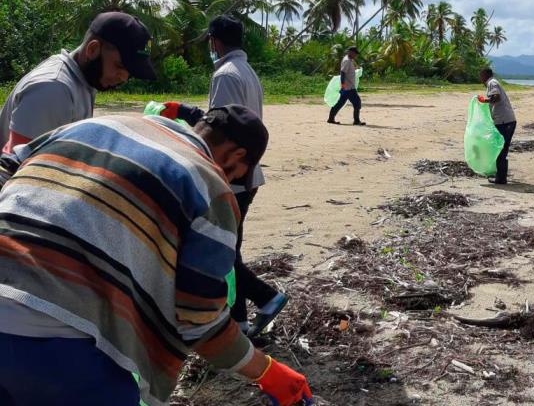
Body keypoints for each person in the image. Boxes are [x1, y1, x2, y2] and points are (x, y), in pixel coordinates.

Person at [0, 106, 313, 406]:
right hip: (58, 341)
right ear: (236, 155)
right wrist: (269, 371)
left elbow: (7, 167)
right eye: (237, 175)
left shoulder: (99, 124)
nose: (231, 181)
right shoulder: (210, 184)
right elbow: (199, 323)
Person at [205, 15, 287, 338]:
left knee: (224, 251)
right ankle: (244, 316)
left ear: (215, 41)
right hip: (249, 173)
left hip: (233, 174)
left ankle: (264, 299)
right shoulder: (248, 72)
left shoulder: (225, 75)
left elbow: (219, 129)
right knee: (230, 249)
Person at [0, 11, 157, 154]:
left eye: (130, 73)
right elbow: (14, 166)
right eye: (120, 66)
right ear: (93, 49)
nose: (123, 78)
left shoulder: (83, 80)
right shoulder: (53, 89)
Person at [479, 68, 517, 185]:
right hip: (506, 121)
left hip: (505, 122)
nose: (480, 78)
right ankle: (500, 176)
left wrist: (484, 100)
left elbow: (496, 97)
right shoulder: (492, 82)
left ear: (485, 75)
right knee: (500, 149)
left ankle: (501, 179)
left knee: (500, 149)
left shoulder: (492, 83)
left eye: (481, 75)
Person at [327, 46, 365, 126]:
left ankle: (331, 118)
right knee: (357, 103)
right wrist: (343, 84)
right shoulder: (347, 61)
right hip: (348, 87)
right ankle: (356, 121)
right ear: (350, 52)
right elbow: (343, 72)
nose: (355, 55)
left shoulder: (349, 60)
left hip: (348, 87)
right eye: (355, 53)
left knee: (340, 103)